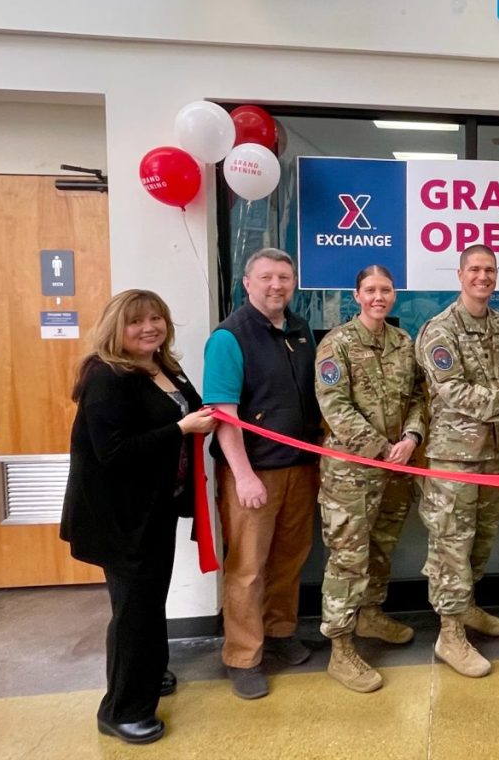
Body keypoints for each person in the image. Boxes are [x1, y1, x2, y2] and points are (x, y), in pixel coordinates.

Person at [60, 290, 216, 745]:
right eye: (136, 322)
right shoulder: (105, 376)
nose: (149, 328)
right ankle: (122, 709)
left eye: (157, 319)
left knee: (147, 604)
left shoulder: (163, 366)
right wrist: (181, 430)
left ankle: (148, 672)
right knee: (134, 610)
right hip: (119, 517)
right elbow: (114, 452)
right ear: (116, 328)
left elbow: (191, 405)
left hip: (155, 509)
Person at [416, 244, 499, 677]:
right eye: (475, 269)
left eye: (489, 270)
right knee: (451, 545)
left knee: (481, 541)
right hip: (454, 460)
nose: (483, 277)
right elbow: (454, 392)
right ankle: (449, 635)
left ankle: (467, 608)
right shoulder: (439, 331)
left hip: (494, 456)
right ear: (460, 274)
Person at [204, 248, 323, 699]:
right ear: (248, 283)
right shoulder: (229, 337)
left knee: (289, 559)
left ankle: (279, 634)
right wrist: (244, 475)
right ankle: (243, 656)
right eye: (268, 278)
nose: (277, 286)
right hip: (252, 472)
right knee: (248, 568)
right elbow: (223, 415)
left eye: (285, 278)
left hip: (299, 468)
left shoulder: (299, 330)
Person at [314, 264, 427, 693]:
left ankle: (371, 615)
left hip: (397, 468)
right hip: (351, 476)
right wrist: (383, 448)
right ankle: (340, 649)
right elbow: (335, 408)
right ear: (356, 295)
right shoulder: (336, 345)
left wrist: (413, 437)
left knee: (381, 546)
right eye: (370, 290)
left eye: (386, 289)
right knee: (347, 558)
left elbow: (419, 396)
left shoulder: (403, 343)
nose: (379, 296)